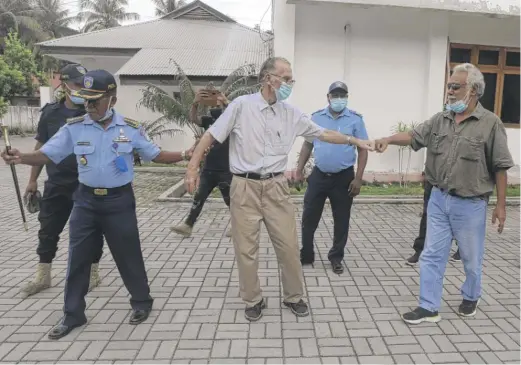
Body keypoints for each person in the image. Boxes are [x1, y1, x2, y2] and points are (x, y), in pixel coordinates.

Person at [1, 69, 193, 340]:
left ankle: (141, 302)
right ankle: (72, 314)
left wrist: (186, 153)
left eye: (95, 101)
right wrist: (20, 157)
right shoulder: (75, 127)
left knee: (128, 254)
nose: (88, 106)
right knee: (78, 258)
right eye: (85, 100)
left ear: (111, 101)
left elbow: (156, 154)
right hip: (86, 202)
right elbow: (46, 154)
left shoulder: (130, 128)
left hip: (119, 201)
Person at [184, 57, 375, 322]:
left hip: (276, 187)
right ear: (266, 78)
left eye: (291, 78)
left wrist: (356, 140)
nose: (289, 83)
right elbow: (211, 135)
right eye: (285, 77)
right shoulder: (241, 106)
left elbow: (323, 133)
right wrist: (193, 167)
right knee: (246, 249)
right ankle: (253, 299)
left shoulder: (291, 114)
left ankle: (294, 296)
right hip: (244, 186)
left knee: (288, 246)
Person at [375, 63, 514, 324]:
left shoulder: (490, 124)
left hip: (470, 204)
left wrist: (501, 206)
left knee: (471, 260)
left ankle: (472, 295)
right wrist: (389, 139)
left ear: (473, 90)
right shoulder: (441, 119)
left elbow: (501, 166)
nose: (449, 91)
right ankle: (428, 307)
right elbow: (415, 135)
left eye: (455, 86)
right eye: (448, 86)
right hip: (439, 199)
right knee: (431, 254)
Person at [21, 64, 104, 297]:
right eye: (78, 84)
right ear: (65, 84)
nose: (82, 89)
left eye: (84, 84)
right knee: (48, 228)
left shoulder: (92, 113)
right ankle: (43, 275)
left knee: (92, 230)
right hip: (57, 183)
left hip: (86, 183)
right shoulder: (50, 113)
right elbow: (41, 147)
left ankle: (93, 272)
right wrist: (32, 180)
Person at [297, 81, 368, 274]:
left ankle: (336, 257)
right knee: (309, 216)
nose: (338, 99)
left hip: (344, 177)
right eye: (335, 95)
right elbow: (307, 145)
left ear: (347, 97)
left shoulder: (355, 119)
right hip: (319, 175)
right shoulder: (317, 117)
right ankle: (307, 253)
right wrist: (298, 170)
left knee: (341, 219)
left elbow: (363, 149)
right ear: (327, 97)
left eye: (342, 95)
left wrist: (358, 178)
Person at [171, 89, 232, 237]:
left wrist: (225, 102)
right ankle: (188, 225)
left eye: (216, 100)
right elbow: (193, 119)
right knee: (199, 197)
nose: (214, 105)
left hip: (226, 168)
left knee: (230, 200)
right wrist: (195, 103)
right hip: (209, 167)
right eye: (212, 102)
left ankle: (238, 226)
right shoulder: (208, 120)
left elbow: (238, 115)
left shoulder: (230, 118)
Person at [407, 173, 460, 266]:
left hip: (457, 179)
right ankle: (420, 249)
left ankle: (462, 250)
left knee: (457, 215)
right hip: (434, 179)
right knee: (427, 214)